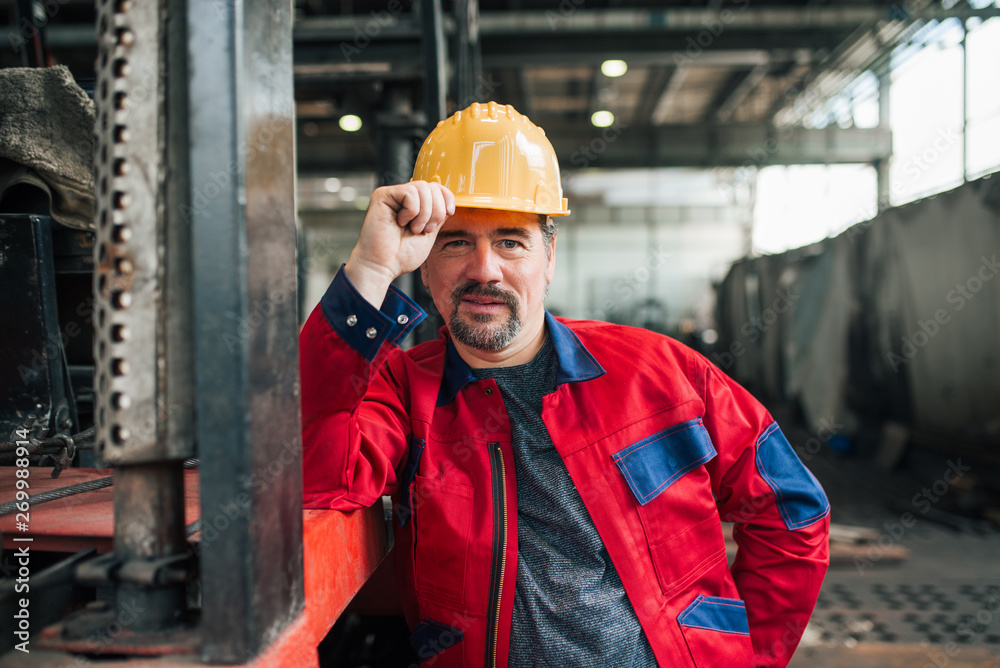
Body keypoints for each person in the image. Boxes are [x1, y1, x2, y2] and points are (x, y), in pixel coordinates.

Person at [300, 101, 830, 668]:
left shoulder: (660, 371)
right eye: (455, 242)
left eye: (511, 241)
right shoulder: (403, 392)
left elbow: (792, 508)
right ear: (424, 266)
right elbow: (320, 478)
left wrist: (752, 657)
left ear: (548, 257)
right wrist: (370, 270)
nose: (484, 269)